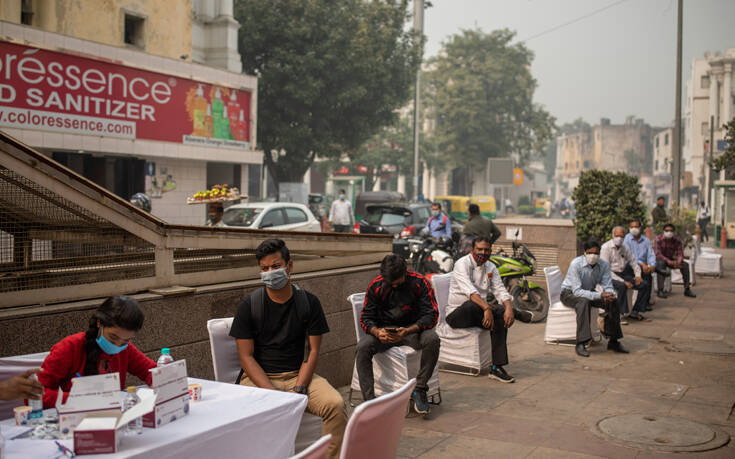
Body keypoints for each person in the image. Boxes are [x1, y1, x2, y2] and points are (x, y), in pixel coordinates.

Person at [230, 239, 346, 459]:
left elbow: (312, 351)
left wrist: (300, 389)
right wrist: (272, 394)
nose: (270, 272)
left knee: (335, 405)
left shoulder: (309, 303)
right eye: (264, 268)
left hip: (298, 376)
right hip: (259, 379)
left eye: (276, 266)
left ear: (289, 266)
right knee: (242, 415)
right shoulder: (249, 305)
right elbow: (245, 357)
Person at [356, 254, 440, 415]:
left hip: (412, 331)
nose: (394, 286)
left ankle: (420, 389)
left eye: (398, 282)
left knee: (432, 339)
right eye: (390, 283)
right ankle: (369, 401)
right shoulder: (376, 286)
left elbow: (432, 315)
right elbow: (366, 318)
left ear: (405, 273)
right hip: (384, 332)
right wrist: (376, 331)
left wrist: (408, 330)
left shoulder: (419, 282)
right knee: (362, 346)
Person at [38, 296, 156, 408]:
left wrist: (159, 382)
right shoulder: (69, 347)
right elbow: (36, 395)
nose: (118, 345)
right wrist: (80, 398)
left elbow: (152, 372)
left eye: (126, 341)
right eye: (113, 337)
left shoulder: (126, 350)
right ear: (99, 323)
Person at [446, 236, 532, 383]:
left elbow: (499, 289)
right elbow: (470, 292)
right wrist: (486, 308)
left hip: (479, 313)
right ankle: (518, 313)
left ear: (491, 251)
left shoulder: (491, 267)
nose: (483, 253)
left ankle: (496, 368)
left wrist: (509, 308)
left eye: (487, 250)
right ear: (472, 249)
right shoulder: (462, 264)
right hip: (457, 315)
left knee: (500, 318)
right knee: (473, 304)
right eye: (480, 249)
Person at [560, 238, 627, 358]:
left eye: (596, 253)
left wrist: (610, 294)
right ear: (585, 252)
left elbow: (607, 285)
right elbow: (577, 291)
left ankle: (613, 340)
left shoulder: (603, 265)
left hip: (589, 292)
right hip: (569, 293)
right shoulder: (576, 264)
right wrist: (600, 295)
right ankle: (581, 343)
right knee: (583, 302)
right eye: (590, 253)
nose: (593, 256)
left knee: (612, 302)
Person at [600, 227, 649, 321]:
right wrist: (624, 281)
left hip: (621, 273)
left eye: (622, 236)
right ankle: (621, 314)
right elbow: (606, 270)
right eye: (617, 235)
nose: (619, 238)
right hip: (608, 275)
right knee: (622, 286)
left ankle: (635, 311)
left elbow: (633, 262)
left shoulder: (624, 247)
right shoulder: (605, 248)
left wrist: (638, 276)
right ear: (613, 236)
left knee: (644, 285)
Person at [654, 223, 696, 299]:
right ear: (663, 231)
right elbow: (658, 254)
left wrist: (679, 261)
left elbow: (680, 253)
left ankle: (687, 289)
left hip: (671, 259)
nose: (669, 233)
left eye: (671, 231)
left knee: (685, 265)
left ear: (673, 232)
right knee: (661, 264)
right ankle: (660, 290)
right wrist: (668, 261)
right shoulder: (658, 239)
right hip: (660, 260)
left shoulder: (677, 240)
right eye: (667, 231)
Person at [624, 219, 656, 312]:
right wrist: (642, 264)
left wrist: (652, 265)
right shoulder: (627, 239)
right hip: (630, 266)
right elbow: (629, 256)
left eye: (636, 227)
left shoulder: (646, 240)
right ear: (629, 228)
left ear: (640, 228)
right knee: (644, 273)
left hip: (644, 266)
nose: (634, 229)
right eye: (632, 227)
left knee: (648, 274)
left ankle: (645, 303)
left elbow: (651, 254)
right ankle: (638, 305)